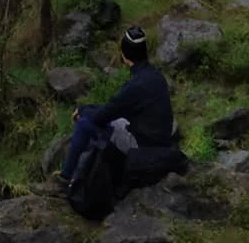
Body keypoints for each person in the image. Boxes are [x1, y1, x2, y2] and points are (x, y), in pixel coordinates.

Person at [57, 25, 174, 185]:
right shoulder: (156, 76)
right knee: (106, 121)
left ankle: (64, 180)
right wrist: (87, 109)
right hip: (159, 142)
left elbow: (101, 117)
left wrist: (83, 111)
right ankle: (83, 176)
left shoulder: (135, 86)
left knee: (85, 124)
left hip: (142, 148)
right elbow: (114, 109)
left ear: (124, 55)